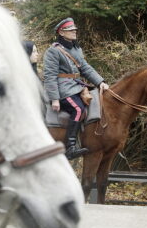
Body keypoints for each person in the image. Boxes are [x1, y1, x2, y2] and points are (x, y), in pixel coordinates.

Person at [43, 17, 109, 160]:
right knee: (78, 109)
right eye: (70, 30)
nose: (74, 32)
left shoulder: (76, 48)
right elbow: (49, 76)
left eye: (75, 29)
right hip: (63, 89)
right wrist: (55, 99)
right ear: (61, 32)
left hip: (76, 86)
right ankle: (70, 147)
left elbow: (85, 68)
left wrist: (100, 82)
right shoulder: (53, 51)